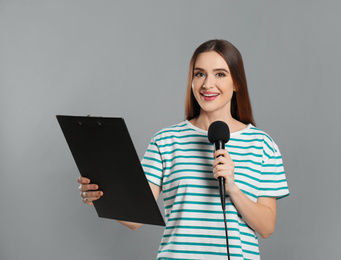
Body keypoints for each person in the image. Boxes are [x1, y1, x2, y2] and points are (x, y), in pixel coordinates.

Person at [77, 39, 289, 259]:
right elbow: (135, 219)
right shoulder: (165, 141)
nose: (207, 84)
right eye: (199, 74)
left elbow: (266, 227)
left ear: (236, 82)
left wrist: (233, 188)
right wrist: (101, 195)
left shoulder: (262, 145)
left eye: (220, 74)